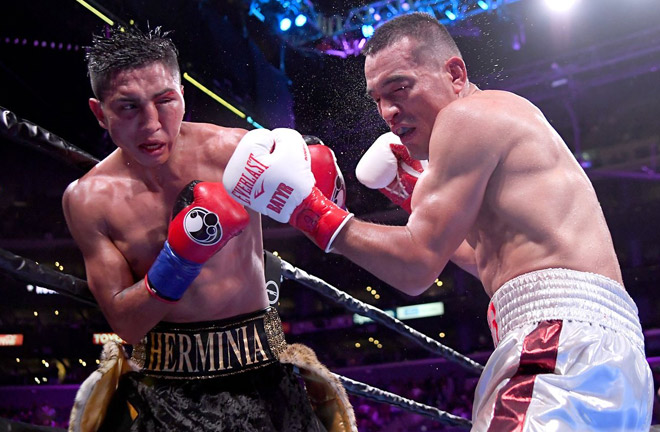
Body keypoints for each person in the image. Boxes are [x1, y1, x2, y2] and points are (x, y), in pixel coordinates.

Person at [222, 12, 654, 432]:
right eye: (377, 99)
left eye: (400, 88)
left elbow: (416, 266)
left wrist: (308, 211)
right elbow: (486, 260)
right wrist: (411, 198)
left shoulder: (465, 117)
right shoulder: (501, 124)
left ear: (455, 74)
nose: (388, 111)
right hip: (609, 356)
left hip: (557, 346)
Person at [62, 26, 355, 432]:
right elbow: (126, 324)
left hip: (265, 371)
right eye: (128, 107)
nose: (152, 124)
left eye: (165, 100)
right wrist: (180, 257)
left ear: (182, 92)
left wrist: (326, 191)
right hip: (166, 389)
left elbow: (332, 231)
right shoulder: (88, 198)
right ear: (100, 112)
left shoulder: (235, 153)